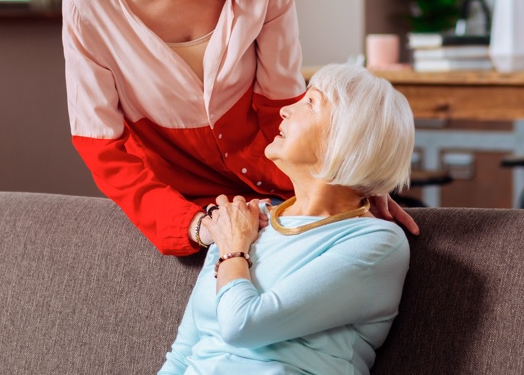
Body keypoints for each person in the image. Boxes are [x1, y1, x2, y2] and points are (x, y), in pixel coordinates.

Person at [61, 0, 417, 257]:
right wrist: (194, 225)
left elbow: (281, 105)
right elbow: (105, 147)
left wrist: (343, 183)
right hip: (190, 213)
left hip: (279, 199)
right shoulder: (91, 1)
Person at [159, 63, 415, 374]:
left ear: (347, 138)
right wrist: (233, 240)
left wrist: (233, 250)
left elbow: (243, 325)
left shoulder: (376, 243)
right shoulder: (246, 220)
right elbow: (182, 355)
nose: (284, 111)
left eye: (310, 102)